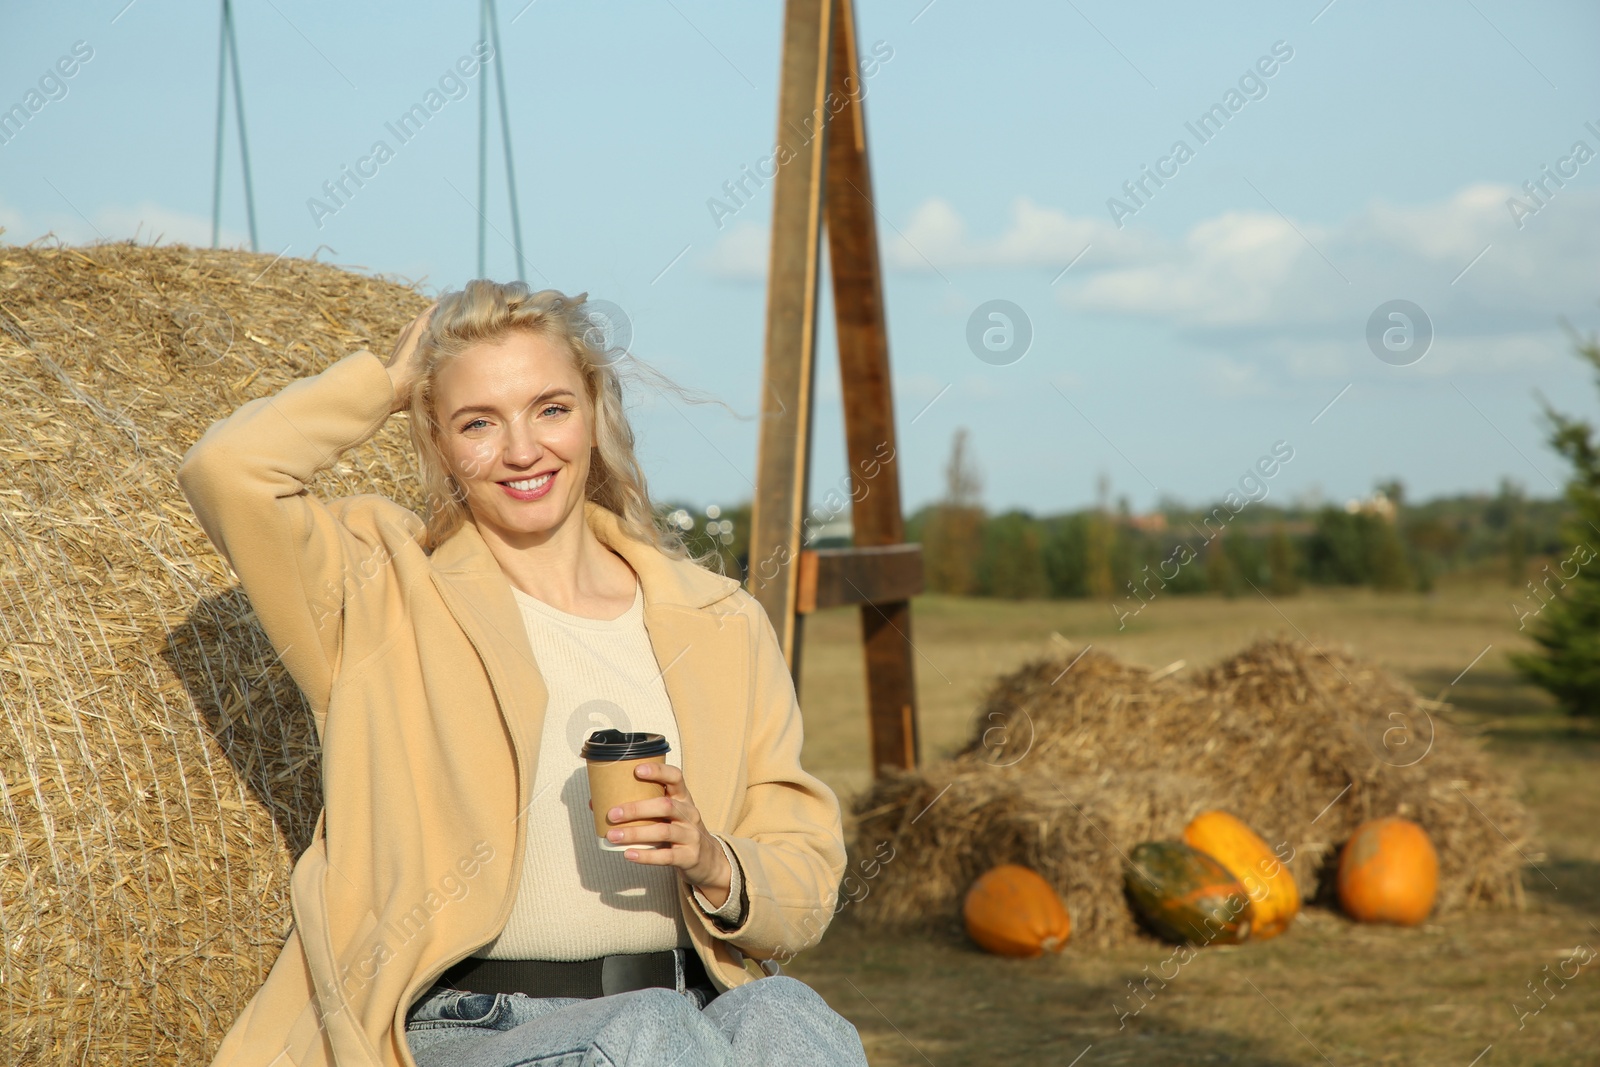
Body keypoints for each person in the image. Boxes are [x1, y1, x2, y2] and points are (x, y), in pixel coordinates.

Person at [178, 280, 867, 1067]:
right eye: (478, 422)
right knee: (645, 1034)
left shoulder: (718, 620)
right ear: (436, 440)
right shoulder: (379, 594)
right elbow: (227, 470)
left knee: (785, 1013)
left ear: (594, 412)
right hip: (468, 1024)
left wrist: (715, 859)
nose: (522, 449)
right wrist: (389, 382)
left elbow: (806, 873)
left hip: (690, 1004)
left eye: (550, 408)